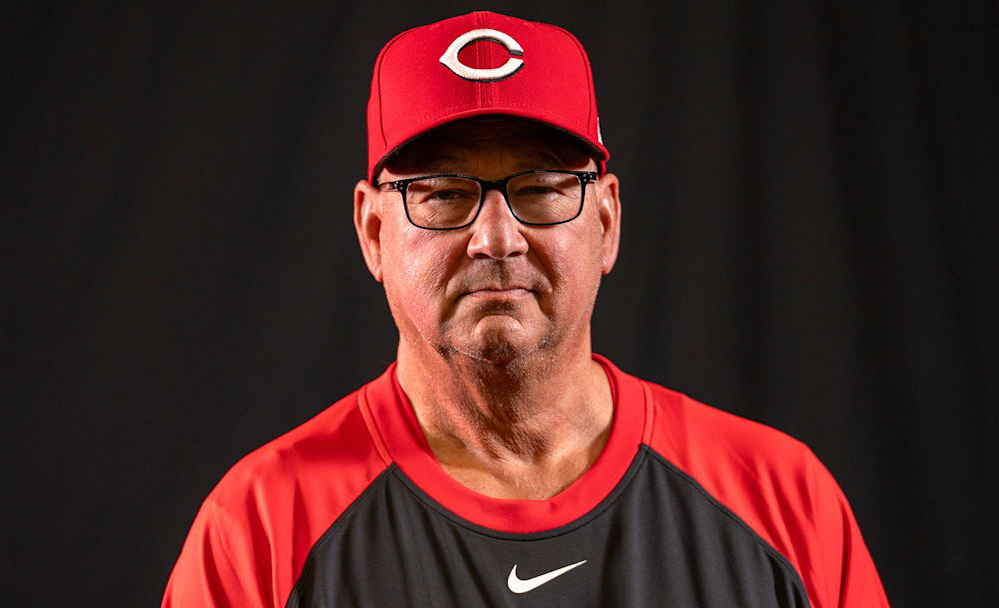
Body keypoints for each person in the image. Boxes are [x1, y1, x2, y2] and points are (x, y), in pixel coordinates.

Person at [162, 11, 889, 607]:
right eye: (444, 192)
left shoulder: (782, 504)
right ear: (374, 232)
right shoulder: (259, 530)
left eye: (541, 187)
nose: (495, 238)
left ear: (605, 222)